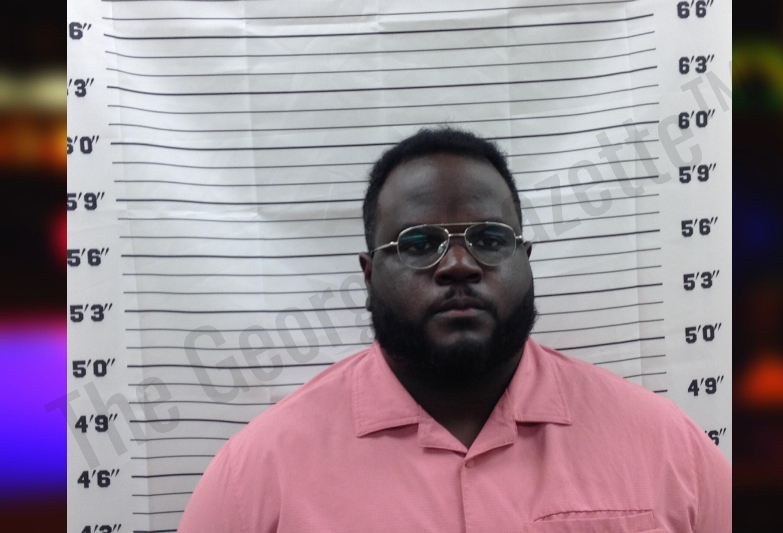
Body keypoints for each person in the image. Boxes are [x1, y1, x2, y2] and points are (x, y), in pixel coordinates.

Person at [178, 127, 731, 532]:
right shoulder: (258, 475)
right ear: (369, 274)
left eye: (489, 239)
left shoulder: (666, 447)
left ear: (525, 258)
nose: (459, 265)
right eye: (419, 244)